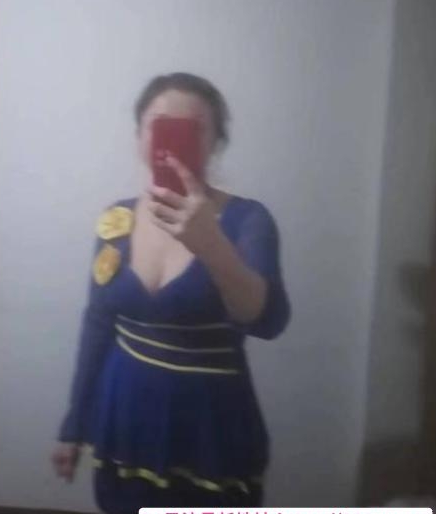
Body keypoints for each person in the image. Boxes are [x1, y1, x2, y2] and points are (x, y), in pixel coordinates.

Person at [51, 72, 290, 513]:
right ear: (140, 136)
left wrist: (212, 245)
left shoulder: (247, 220)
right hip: (123, 419)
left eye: (194, 130)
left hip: (211, 429)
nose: (175, 141)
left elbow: (268, 320)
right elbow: (98, 325)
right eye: (161, 126)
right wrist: (73, 427)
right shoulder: (117, 219)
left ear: (216, 142)